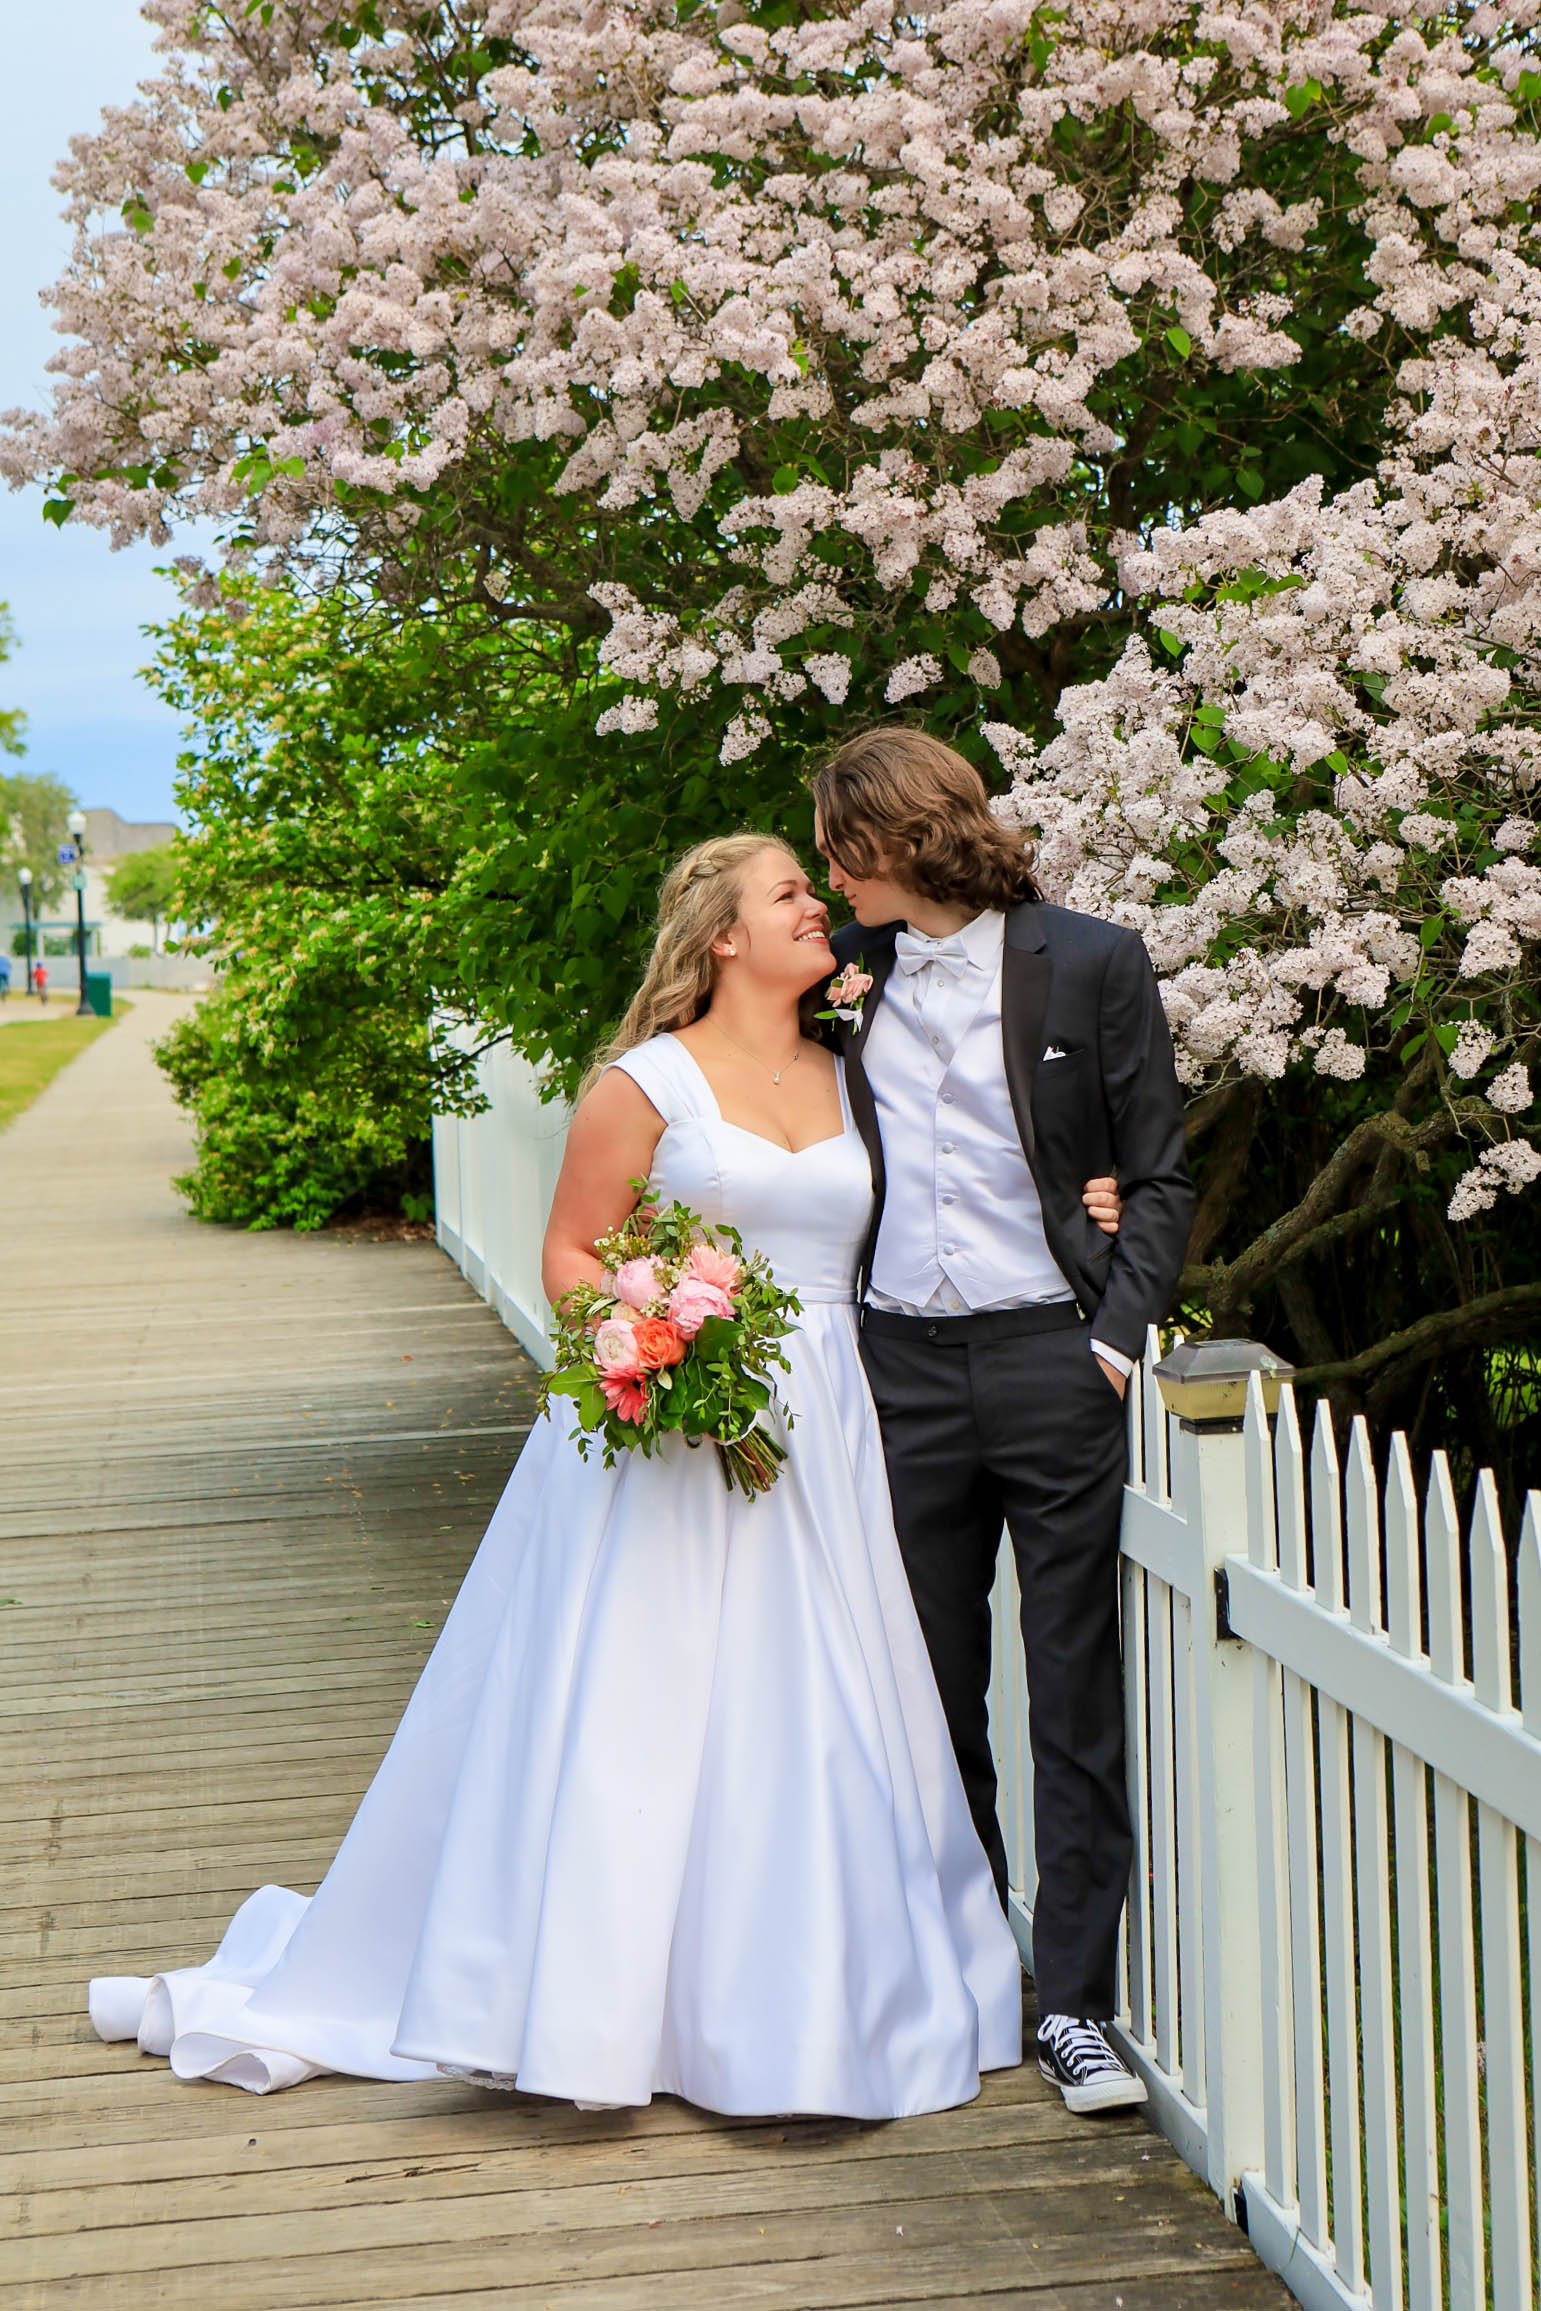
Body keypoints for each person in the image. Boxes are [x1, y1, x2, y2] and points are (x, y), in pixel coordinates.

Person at [88, 833, 1123, 2118]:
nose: (822, 909)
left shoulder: (848, 1063)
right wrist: (652, 1340)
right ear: (723, 937)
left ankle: (801, 1997)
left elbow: (958, 1177)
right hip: (674, 1437)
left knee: (825, 1707)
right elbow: (573, 1250)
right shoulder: (645, 1084)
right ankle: (614, 1998)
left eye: (816, 887)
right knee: (652, 1711)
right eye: (791, 894)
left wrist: (1093, 1204)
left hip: (834, 1426)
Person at [810, 728, 1195, 2118]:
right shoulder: (837, 983)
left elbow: (1154, 1174)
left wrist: (1108, 1340)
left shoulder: (1089, 960)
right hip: (896, 1367)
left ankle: (1077, 2002)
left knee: (1071, 1682)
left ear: (898, 840)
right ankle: (970, 1966)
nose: (824, 873)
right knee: (928, 1688)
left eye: (839, 848)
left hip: (1050, 1356)